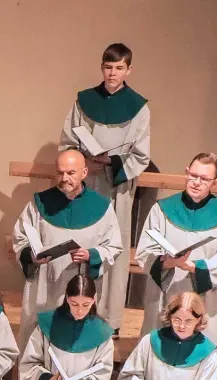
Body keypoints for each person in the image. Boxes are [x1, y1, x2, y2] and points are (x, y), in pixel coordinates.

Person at [60, 43, 150, 330]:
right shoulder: (83, 101)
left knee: (112, 246)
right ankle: (71, 308)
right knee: (78, 240)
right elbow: (67, 141)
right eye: (108, 67)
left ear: (129, 70)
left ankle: (107, 318)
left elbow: (141, 155)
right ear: (102, 67)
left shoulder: (139, 108)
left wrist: (111, 162)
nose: (113, 73)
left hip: (116, 187)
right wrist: (85, 163)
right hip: (83, 183)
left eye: (119, 68)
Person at [13, 149, 123, 342]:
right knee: (38, 343)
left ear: (84, 173)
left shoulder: (102, 207)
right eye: (60, 172)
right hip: (44, 289)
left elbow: (113, 246)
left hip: (81, 289)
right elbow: (21, 237)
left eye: (71, 173)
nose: (64, 178)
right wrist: (31, 256)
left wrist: (91, 255)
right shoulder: (39, 203)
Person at [135, 153, 217, 342]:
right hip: (166, 289)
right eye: (193, 175)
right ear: (186, 173)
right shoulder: (162, 209)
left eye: (205, 179)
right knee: (159, 344)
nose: (197, 182)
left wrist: (192, 267)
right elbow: (145, 250)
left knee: (198, 352)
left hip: (203, 294)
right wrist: (167, 262)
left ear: (215, 183)